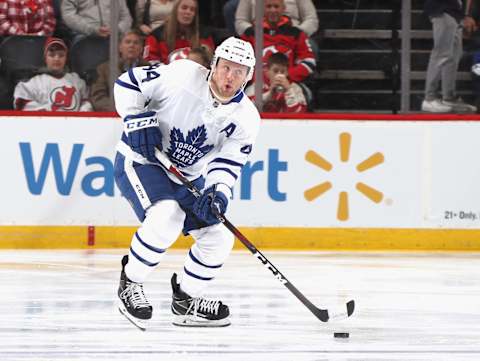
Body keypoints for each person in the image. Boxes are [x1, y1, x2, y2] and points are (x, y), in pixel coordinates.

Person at [113, 37, 260, 329]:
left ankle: (186, 301)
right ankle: (130, 284)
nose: (230, 77)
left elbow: (227, 164)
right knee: (168, 213)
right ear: (213, 64)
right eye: (226, 67)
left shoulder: (247, 119)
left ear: (249, 76)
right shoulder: (182, 75)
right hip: (142, 162)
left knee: (219, 237)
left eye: (240, 71)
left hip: (187, 177)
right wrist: (134, 118)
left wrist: (218, 192)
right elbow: (128, 83)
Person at [241, 0, 316, 102]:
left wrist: (286, 75)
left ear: (283, 8)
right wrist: (260, 77)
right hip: (257, 85)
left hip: (289, 83)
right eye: (269, 6)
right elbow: (240, 62)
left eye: (276, 6)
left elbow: (309, 62)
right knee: (246, 105)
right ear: (263, 9)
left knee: (300, 100)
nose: (273, 10)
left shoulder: (296, 33)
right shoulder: (250, 34)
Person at [422, 0, 477, 113]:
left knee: (454, 55)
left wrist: (464, 15)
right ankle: (429, 98)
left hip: (454, 12)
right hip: (443, 9)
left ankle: (448, 97)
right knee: (441, 53)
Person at [13, 37, 92, 111]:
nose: (57, 58)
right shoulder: (34, 82)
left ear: (66, 58)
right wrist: (46, 112)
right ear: (45, 58)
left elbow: (87, 101)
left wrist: (81, 115)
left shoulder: (76, 80)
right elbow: (20, 102)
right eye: (52, 55)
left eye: (61, 55)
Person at [90, 29, 149, 111]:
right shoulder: (104, 69)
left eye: (136, 43)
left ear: (141, 48)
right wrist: (120, 109)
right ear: (120, 47)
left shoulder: (149, 70)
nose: (131, 45)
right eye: (128, 42)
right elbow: (98, 98)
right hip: (112, 116)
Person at [143, 0, 215, 64]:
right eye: (184, 8)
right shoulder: (156, 36)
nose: (188, 12)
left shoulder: (204, 35)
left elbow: (209, 61)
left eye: (192, 10)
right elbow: (149, 61)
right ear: (175, 10)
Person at [234, 0, 319, 37]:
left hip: (292, 34)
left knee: (312, 47)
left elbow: (311, 18)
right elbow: (241, 20)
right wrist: (250, 30)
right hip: (257, 34)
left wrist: (298, 31)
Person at [61, 0, 132, 41]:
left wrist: (116, 29)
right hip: (84, 36)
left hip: (114, 38)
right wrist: (92, 29)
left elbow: (126, 17)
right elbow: (68, 15)